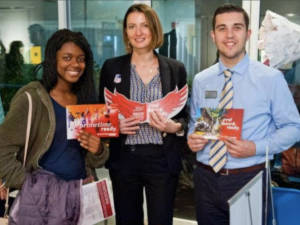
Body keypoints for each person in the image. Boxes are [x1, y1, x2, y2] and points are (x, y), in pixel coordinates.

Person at [187, 4, 300, 225]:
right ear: (213, 35)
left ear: (247, 34)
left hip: (250, 178)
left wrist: (255, 147)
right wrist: (193, 138)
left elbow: (293, 128)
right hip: (206, 179)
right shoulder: (202, 80)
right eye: (222, 28)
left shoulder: (270, 79)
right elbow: (195, 123)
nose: (229, 35)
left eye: (236, 27)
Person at [0, 29, 109, 224]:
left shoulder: (86, 101)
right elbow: (2, 148)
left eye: (81, 59)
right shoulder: (32, 98)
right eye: (67, 57)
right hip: (40, 203)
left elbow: (94, 160)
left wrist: (98, 149)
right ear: (53, 60)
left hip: (79, 195)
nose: (75, 64)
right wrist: (30, 185)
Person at [99, 4, 187, 225]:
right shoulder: (112, 68)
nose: (138, 32)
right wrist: (115, 127)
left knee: (161, 220)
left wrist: (174, 127)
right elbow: (100, 115)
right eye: (132, 27)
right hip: (124, 157)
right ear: (126, 32)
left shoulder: (175, 68)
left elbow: (185, 116)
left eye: (144, 26)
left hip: (162, 159)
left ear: (154, 29)